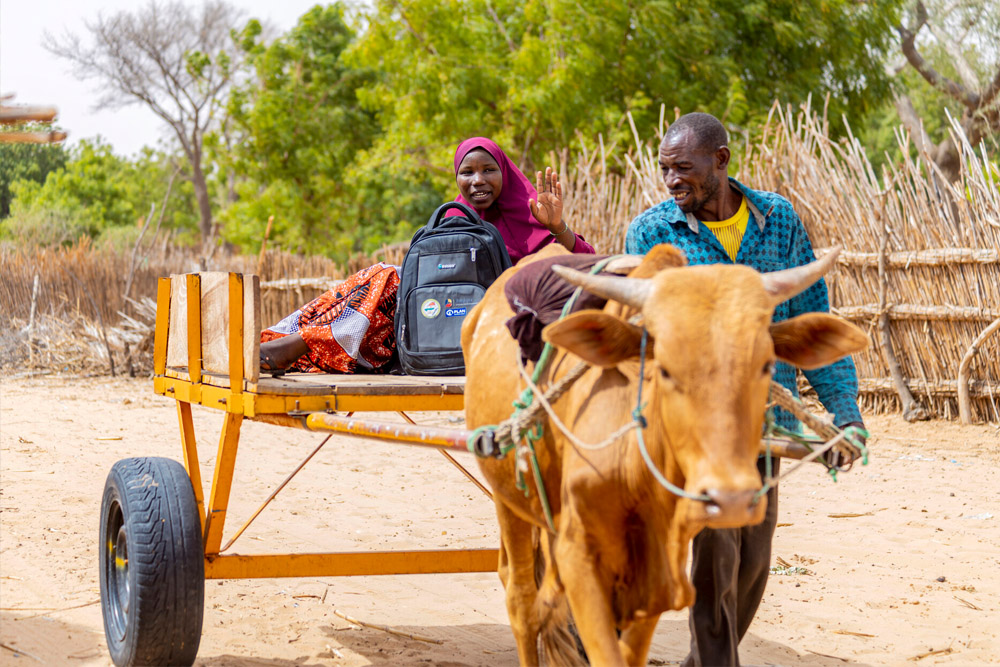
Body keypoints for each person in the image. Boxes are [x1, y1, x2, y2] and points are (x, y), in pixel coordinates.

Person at [625, 112, 867, 667]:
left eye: (683, 168)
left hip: (764, 420)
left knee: (754, 561)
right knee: (715, 557)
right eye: (665, 169)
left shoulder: (777, 220)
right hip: (696, 427)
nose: (671, 181)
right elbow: (643, 335)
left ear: (722, 160)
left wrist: (843, 414)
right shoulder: (652, 232)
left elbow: (809, 316)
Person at [259, 137, 595, 373]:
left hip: (497, 323)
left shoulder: (533, 216)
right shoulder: (452, 219)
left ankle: (294, 343)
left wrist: (557, 227)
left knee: (386, 278)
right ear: (457, 177)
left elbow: (586, 262)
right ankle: (292, 340)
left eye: (488, 170)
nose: (478, 180)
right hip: (436, 325)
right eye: (467, 172)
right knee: (385, 277)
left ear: (504, 173)